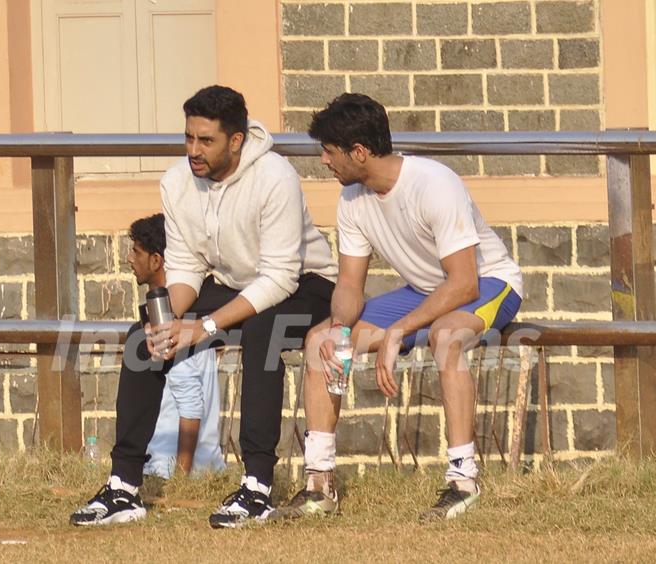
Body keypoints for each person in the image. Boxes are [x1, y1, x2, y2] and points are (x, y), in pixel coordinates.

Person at [70, 85, 337, 529]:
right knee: (144, 336)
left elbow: (280, 277)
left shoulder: (275, 177)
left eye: (206, 140)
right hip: (236, 282)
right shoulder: (176, 181)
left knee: (261, 332)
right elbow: (187, 264)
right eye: (189, 137)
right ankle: (124, 486)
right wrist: (170, 321)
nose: (194, 150)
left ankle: (257, 487)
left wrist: (205, 326)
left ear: (236, 140)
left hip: (306, 284)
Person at [270, 93, 522, 523]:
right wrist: (339, 328)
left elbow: (463, 283)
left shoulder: (434, 183)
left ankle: (463, 480)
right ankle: (319, 484)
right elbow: (350, 285)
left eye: (329, 152)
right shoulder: (352, 198)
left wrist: (398, 332)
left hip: (488, 284)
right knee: (319, 343)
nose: (324, 162)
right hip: (424, 291)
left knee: (446, 337)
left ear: (360, 152)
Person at [125, 213, 225, 479]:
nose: (129, 259)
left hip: (168, 469)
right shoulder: (188, 309)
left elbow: (191, 405)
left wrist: (180, 478)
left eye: (136, 252)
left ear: (156, 260)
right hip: (187, 467)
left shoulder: (175, 319)